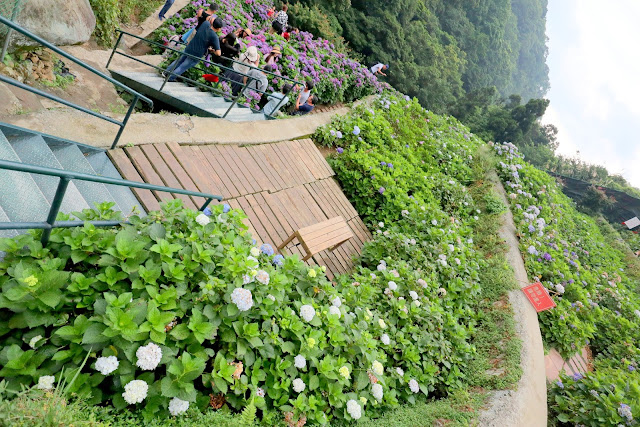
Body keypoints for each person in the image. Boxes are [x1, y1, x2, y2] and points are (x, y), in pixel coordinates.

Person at [165, 17, 223, 82]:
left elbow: (209, 18)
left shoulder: (205, 24)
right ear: (218, 29)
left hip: (189, 48)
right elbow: (218, 53)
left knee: (178, 61)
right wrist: (213, 51)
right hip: (196, 55)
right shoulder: (214, 37)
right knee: (182, 67)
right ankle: (170, 78)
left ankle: (166, 73)